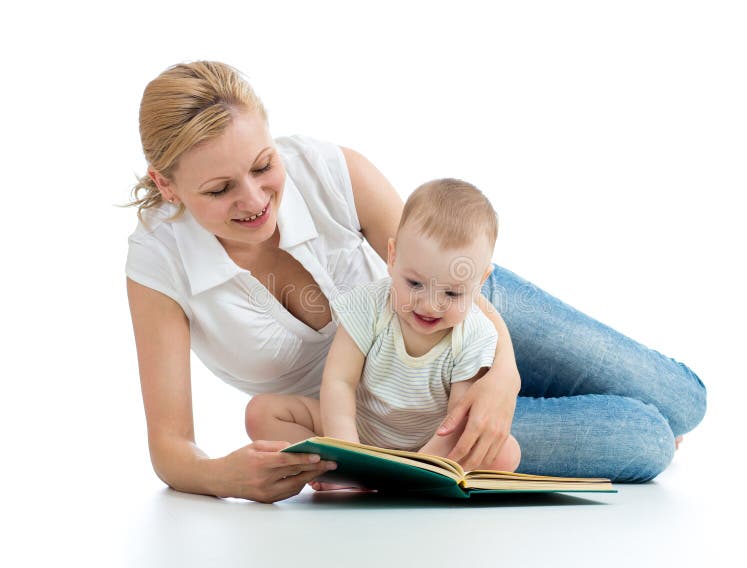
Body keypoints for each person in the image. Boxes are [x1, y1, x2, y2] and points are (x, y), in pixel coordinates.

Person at [126, 61, 706, 504]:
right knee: (647, 441)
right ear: (168, 185)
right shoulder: (159, 264)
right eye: (219, 189)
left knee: (685, 402)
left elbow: (430, 266)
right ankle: (621, 422)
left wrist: (501, 370)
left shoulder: (329, 170)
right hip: (396, 422)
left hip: (460, 309)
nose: (254, 200)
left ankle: (583, 403)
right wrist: (221, 477)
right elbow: (170, 444)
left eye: (261, 166)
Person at [246, 179, 521, 473]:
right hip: (359, 430)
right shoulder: (367, 306)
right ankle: (339, 469)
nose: (429, 305)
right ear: (393, 257)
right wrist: (349, 452)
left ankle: (406, 478)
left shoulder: (474, 334)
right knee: (261, 414)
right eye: (414, 283)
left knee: (507, 453)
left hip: (430, 445)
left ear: (480, 282)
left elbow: (454, 421)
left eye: (452, 294)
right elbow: (339, 382)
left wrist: (418, 467)